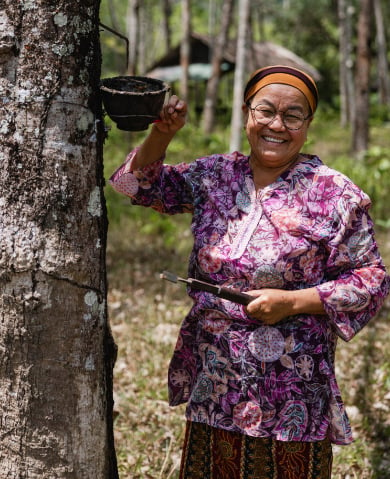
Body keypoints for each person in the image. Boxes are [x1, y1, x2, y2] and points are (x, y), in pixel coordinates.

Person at [109, 65, 390, 479]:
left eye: (293, 115)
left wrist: (292, 302)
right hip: (217, 380)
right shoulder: (215, 176)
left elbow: (371, 279)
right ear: (246, 114)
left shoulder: (334, 193)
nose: (277, 124)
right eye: (266, 111)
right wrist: (163, 133)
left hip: (293, 388)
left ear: (308, 125)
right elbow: (133, 186)